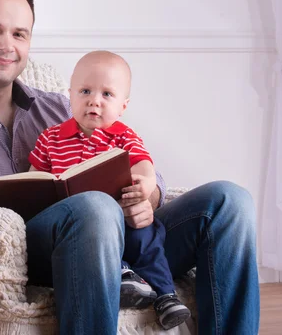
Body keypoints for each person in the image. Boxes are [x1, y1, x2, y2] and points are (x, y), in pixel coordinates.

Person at [0, 0, 260, 334]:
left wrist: (146, 197)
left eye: (19, 34)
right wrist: (13, 192)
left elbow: (133, 156)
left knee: (231, 201)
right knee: (94, 207)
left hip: (126, 247)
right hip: (30, 252)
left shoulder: (63, 106)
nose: (6, 43)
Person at [28, 50, 191, 329]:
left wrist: (144, 188)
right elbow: (35, 178)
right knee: (97, 223)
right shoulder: (51, 137)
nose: (94, 100)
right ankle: (124, 275)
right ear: (70, 95)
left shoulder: (124, 136)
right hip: (77, 227)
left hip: (122, 218)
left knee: (146, 233)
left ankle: (165, 295)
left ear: (123, 106)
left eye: (107, 94)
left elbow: (144, 166)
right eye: (85, 91)